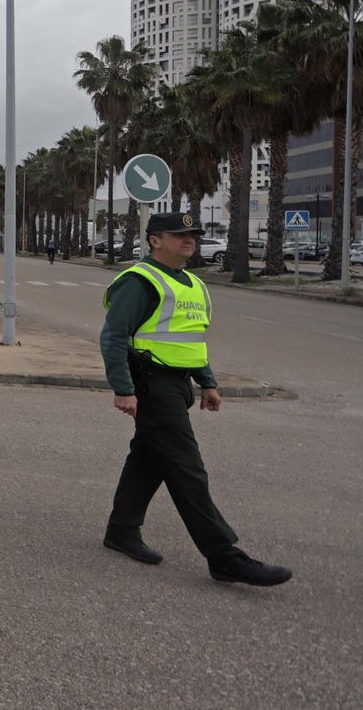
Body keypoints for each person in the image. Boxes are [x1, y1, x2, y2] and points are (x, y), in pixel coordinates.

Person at [99, 212, 291, 586]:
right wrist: (123, 389)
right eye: (180, 234)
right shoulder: (139, 281)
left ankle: (121, 530)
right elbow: (113, 337)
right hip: (151, 385)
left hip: (178, 386)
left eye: (194, 235)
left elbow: (193, 341)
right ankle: (223, 555)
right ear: (155, 239)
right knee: (188, 469)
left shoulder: (193, 284)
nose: (190, 239)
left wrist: (208, 383)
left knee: (149, 459)